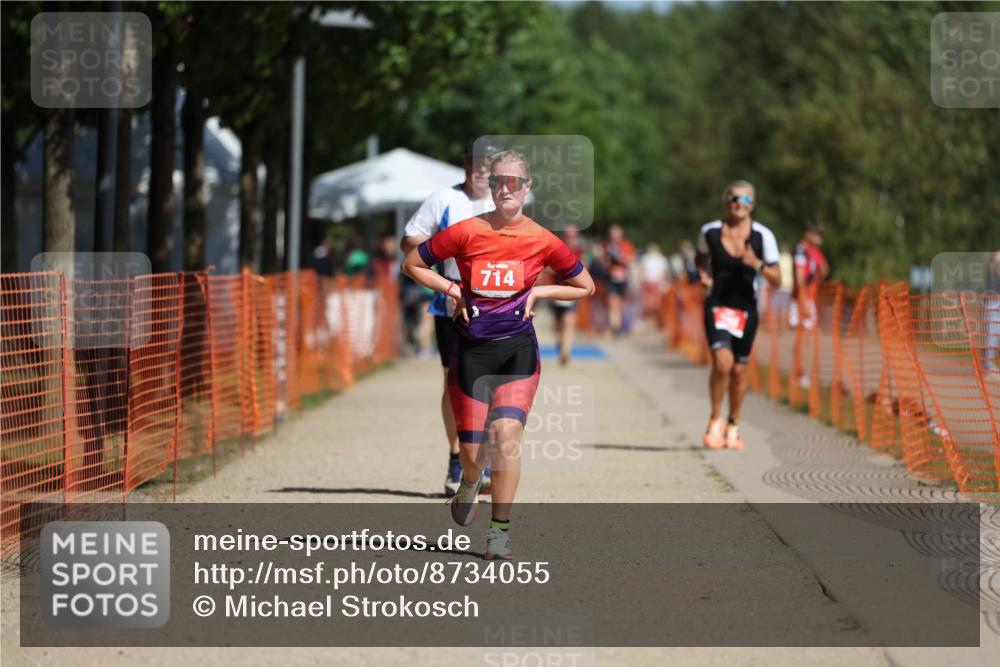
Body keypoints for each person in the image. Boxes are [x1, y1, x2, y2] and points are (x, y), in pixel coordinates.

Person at [402, 150, 595, 559]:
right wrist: (453, 290)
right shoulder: (466, 231)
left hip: (517, 351)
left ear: (528, 187)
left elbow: (585, 286)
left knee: (506, 439)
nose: (506, 188)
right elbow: (412, 264)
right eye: (499, 182)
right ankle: (470, 481)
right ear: (490, 187)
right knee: (473, 457)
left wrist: (540, 290)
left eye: (514, 182)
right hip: (471, 349)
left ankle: (499, 532)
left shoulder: (542, 239)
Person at [401, 141, 498, 496]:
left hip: (497, 305)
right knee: (455, 384)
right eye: (477, 165)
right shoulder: (444, 199)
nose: (483, 172)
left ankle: (480, 459)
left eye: (489, 165)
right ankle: (458, 456)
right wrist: (444, 247)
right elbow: (409, 240)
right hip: (452, 304)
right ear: (466, 167)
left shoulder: (505, 202)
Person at [696, 180, 781, 449]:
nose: (738, 204)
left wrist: (756, 263)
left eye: (745, 200)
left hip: (746, 308)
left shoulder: (762, 237)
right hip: (717, 305)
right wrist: (703, 274)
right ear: (726, 202)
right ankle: (714, 419)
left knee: (740, 370)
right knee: (722, 362)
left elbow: (778, 279)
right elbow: (700, 258)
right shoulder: (709, 231)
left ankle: (733, 423)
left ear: (752, 204)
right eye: (734, 198)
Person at [549, 224, 585, 366]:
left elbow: (585, 270)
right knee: (558, 324)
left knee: (569, 322)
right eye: (568, 235)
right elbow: (547, 269)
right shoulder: (557, 250)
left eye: (574, 236)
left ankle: (566, 352)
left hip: (573, 292)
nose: (571, 238)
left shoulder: (580, 251)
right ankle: (560, 344)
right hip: (557, 292)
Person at [602, 225, 636, 335]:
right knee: (612, 302)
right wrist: (608, 260)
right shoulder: (607, 246)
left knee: (621, 303)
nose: (614, 236)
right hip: (611, 277)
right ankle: (614, 327)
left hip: (623, 278)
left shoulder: (626, 245)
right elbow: (604, 263)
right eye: (612, 234)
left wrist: (619, 257)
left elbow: (631, 259)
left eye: (616, 233)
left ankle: (621, 325)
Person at [640, 242, 669, 322]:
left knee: (651, 301)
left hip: (650, 281)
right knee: (654, 301)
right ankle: (653, 319)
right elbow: (664, 272)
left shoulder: (646, 258)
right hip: (653, 281)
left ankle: (653, 319)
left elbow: (642, 270)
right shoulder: (661, 259)